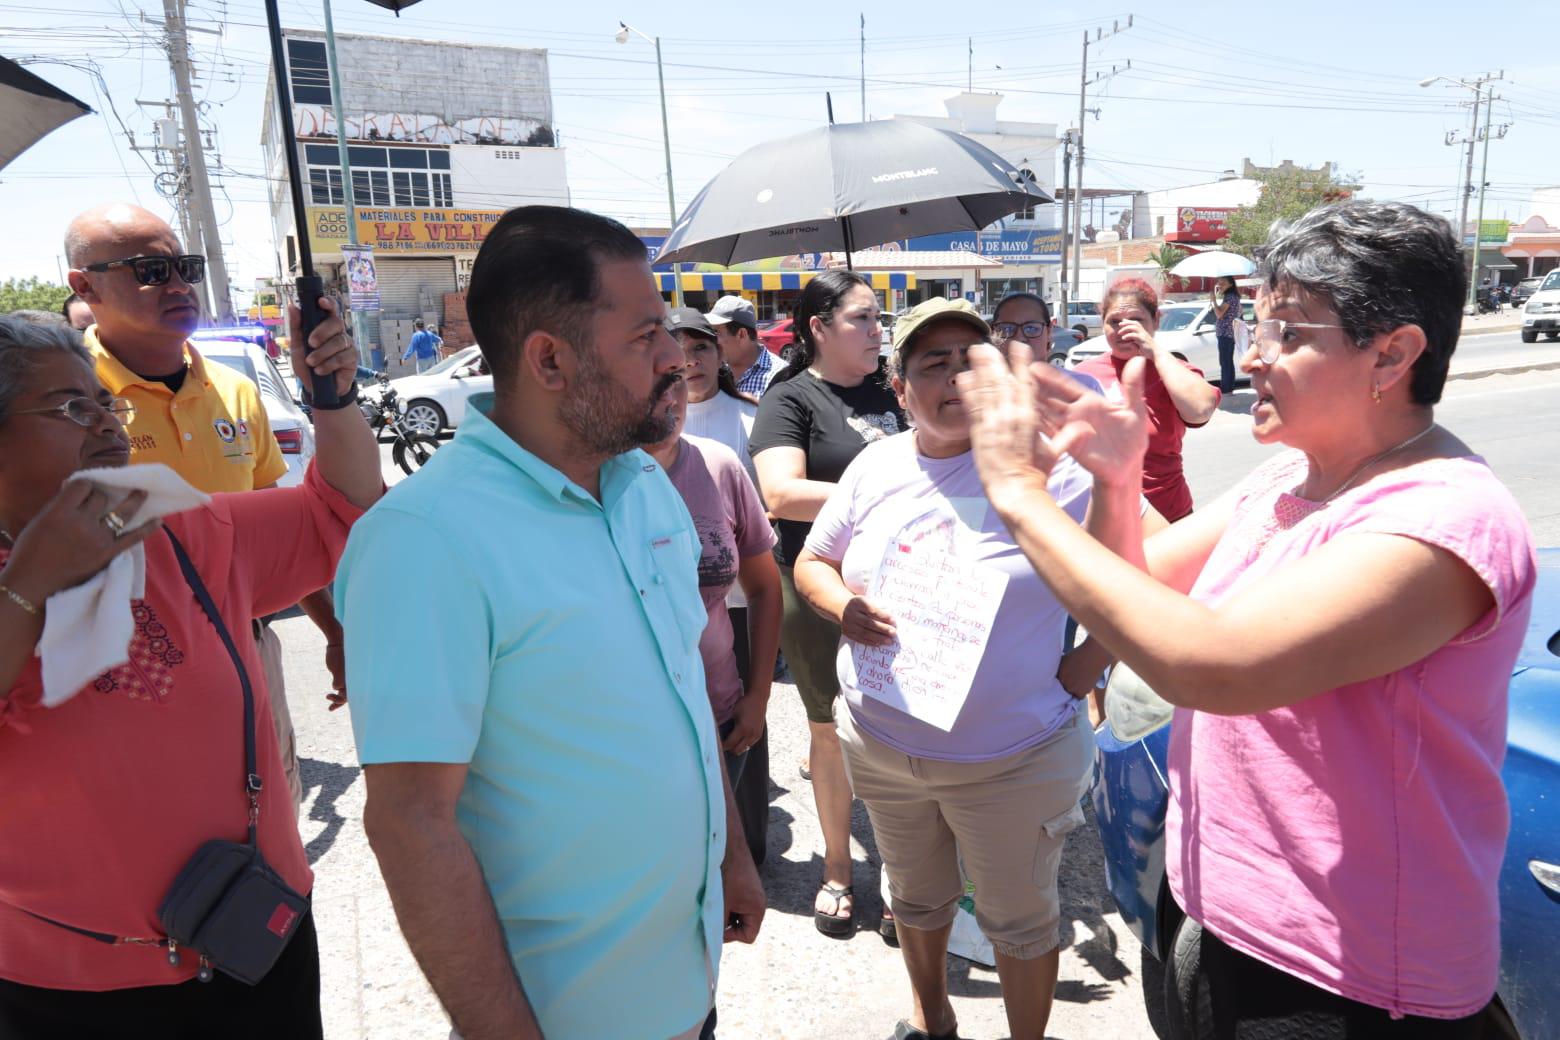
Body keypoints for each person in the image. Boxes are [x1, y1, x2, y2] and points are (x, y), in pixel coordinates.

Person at [959, 200, 1535, 1036]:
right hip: (1225, 919)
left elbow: (1212, 666)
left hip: (1351, 982)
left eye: (1290, 335)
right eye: (1259, 329)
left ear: (1395, 354)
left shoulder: (1445, 518)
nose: (1252, 358)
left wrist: (1018, 494)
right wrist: (1117, 482)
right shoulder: (1295, 479)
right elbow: (1136, 594)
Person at [336, 205, 764, 1040]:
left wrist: (732, 856)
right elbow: (410, 821)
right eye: (645, 336)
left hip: (685, 976)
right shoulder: (427, 540)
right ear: (550, 360)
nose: (676, 356)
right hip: (565, 1015)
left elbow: (681, 690)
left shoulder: (640, 485)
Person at [0, 309, 377, 1037]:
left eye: (105, 402)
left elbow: (343, 508)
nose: (109, 424)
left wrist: (332, 400)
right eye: (73, 407)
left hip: (256, 938)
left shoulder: (179, 528)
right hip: (72, 988)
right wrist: (33, 580)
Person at [794, 298, 1156, 1040]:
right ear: (900, 390)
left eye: (973, 359)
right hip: (884, 749)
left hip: (1013, 761)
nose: (958, 375)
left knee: (1020, 921)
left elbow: (1132, 578)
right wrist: (841, 607)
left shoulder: (1048, 471)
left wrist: (1081, 671)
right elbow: (812, 560)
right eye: (934, 363)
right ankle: (933, 1020)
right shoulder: (875, 465)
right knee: (915, 899)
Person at [64, 203, 345, 806]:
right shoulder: (62, 399)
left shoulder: (237, 391)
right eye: (149, 270)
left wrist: (333, 632)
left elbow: (278, 533)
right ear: (84, 286)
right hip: (126, 669)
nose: (177, 286)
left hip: (246, 643)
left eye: (184, 268)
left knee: (270, 817)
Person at [749, 269, 904, 937]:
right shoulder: (790, 399)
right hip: (812, 585)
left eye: (879, 319)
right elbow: (779, 494)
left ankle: (904, 875)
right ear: (819, 328)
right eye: (863, 319)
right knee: (829, 732)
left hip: (902, 582)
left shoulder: (894, 388)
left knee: (905, 729)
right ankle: (839, 869)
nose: (878, 331)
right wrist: (886, 487)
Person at [646, 371, 782, 870]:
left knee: (715, 870)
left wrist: (757, 698)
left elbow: (766, 588)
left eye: (676, 380)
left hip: (721, 719)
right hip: (634, 733)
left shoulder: (720, 466)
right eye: (651, 380)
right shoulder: (589, 479)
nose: (668, 397)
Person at [1075, 279, 1220, 521]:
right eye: (1114, 322)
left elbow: (1200, 410)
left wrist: (1154, 351)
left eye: (1136, 320)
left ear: (1155, 321)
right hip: (1104, 518)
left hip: (1168, 515)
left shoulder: (1175, 371)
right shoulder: (1084, 374)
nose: (1124, 329)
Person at [707, 295, 775, 396]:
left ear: (742, 334)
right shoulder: (714, 373)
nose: (711, 339)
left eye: (716, 332)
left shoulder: (778, 378)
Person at [1210, 275, 1242, 394]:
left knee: (1225, 361)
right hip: (1228, 333)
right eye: (1219, 282)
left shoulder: (1229, 297)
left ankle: (1226, 387)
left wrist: (1213, 300)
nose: (1220, 285)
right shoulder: (1232, 297)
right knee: (1227, 360)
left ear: (1230, 284)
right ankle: (1229, 386)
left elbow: (1219, 314)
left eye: (1223, 283)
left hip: (1225, 333)